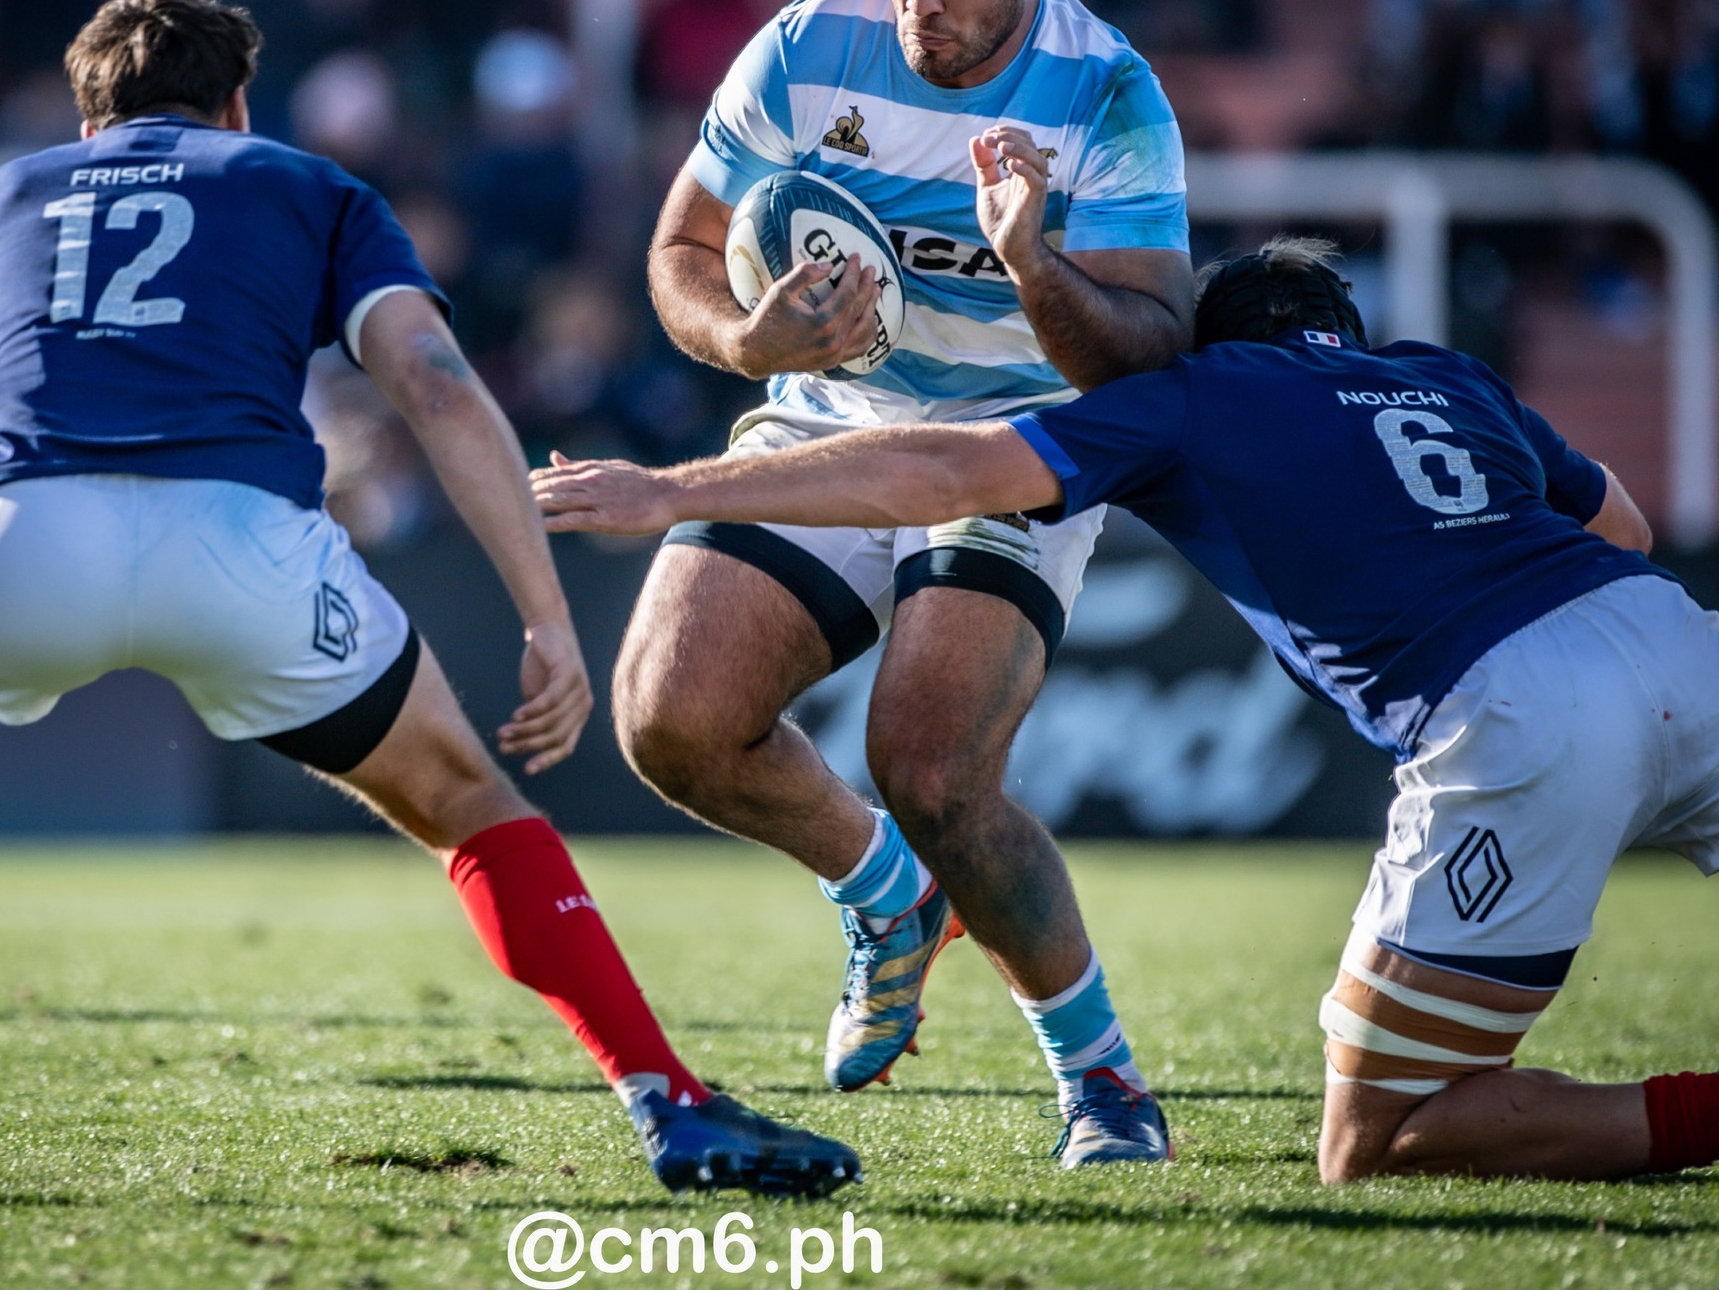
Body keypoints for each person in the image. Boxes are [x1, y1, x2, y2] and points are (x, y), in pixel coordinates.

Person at [0, 0, 859, 1203]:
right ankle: (664, 1099)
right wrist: (546, 618)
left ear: (87, 120)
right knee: (466, 797)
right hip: (239, 545)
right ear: (238, 104)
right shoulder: (308, 185)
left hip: (8, 543)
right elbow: (439, 385)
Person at [534, 135, 1719, 1184]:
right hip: (1674, 634)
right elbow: (1622, 524)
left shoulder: (1190, 393)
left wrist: (663, 489)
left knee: (1380, 1137)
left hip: (1519, 712)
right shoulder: (1446, 376)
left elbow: (938, 474)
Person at [623, 0, 1193, 1166]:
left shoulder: (1109, 94)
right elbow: (680, 248)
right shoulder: (813, 42)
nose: (917, 0)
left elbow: (1154, 346)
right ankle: (888, 893)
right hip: (831, 416)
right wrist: (744, 340)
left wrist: (1035, 265)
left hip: (1016, 445)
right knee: (667, 721)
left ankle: (1104, 1082)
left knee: (931, 768)